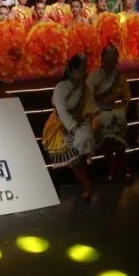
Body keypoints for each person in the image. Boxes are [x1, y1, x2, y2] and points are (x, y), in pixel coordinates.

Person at [42, 54, 96, 201]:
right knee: (73, 145)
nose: (84, 73)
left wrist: (84, 127)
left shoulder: (86, 89)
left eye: (85, 70)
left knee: (85, 139)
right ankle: (86, 184)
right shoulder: (61, 88)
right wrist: (74, 129)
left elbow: (88, 110)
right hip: (59, 125)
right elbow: (62, 112)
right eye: (80, 70)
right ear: (71, 71)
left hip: (79, 122)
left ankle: (85, 181)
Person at [88, 45, 131, 183]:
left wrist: (121, 109)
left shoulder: (120, 77)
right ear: (103, 59)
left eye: (113, 59)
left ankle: (122, 168)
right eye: (108, 59)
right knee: (104, 140)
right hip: (98, 113)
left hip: (114, 112)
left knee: (120, 140)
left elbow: (126, 97)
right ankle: (111, 167)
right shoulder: (94, 77)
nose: (111, 62)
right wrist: (97, 111)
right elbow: (88, 98)